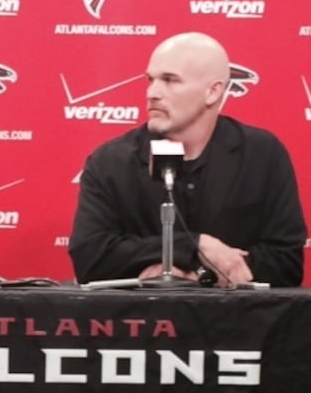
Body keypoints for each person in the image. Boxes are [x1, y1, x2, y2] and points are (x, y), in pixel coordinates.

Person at [69, 32, 307, 287]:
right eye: (151, 80)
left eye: (170, 81)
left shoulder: (263, 154)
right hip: (143, 322)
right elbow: (91, 258)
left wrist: (197, 279)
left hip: (237, 324)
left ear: (213, 92)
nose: (152, 93)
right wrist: (195, 246)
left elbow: (287, 263)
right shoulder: (110, 162)